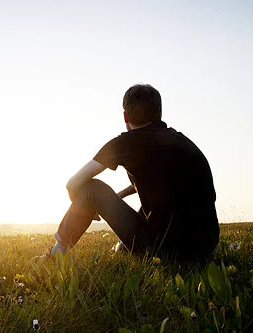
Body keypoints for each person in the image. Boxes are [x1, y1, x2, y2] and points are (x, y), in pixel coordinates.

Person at [51, 84, 219, 262]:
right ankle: (126, 246)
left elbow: (73, 183)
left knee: (92, 188)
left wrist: (85, 205)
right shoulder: (181, 142)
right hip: (205, 250)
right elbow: (160, 184)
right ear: (159, 112)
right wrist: (119, 196)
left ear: (125, 116)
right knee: (163, 202)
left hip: (166, 252)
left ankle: (55, 254)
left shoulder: (124, 144)